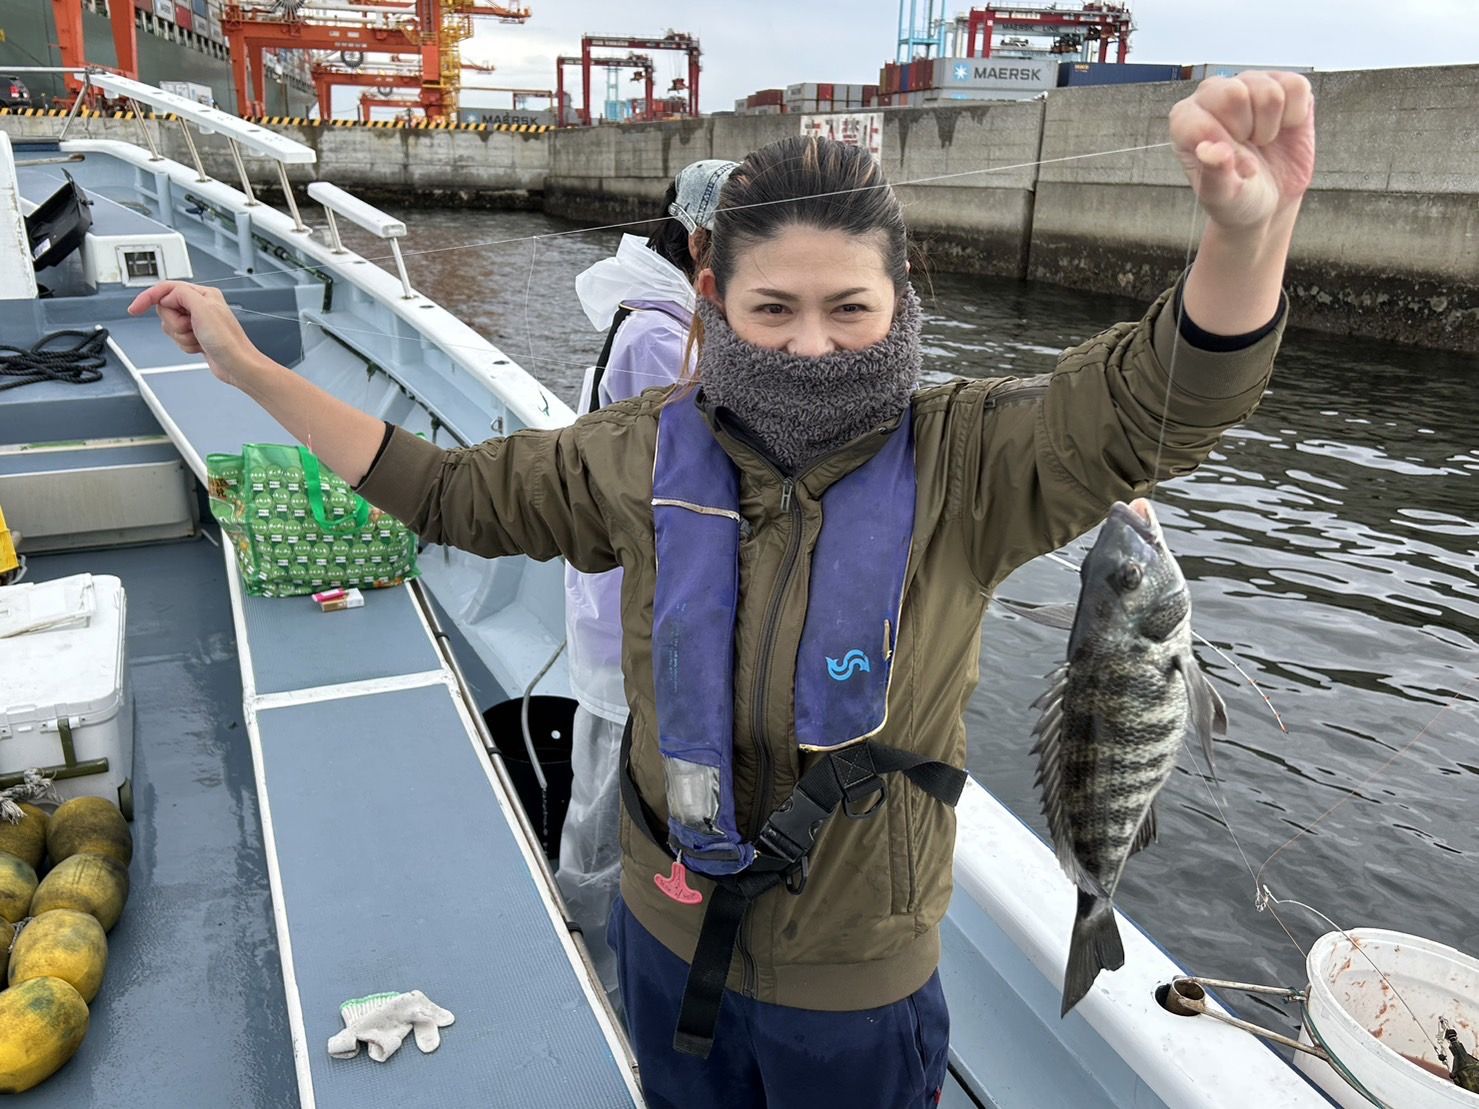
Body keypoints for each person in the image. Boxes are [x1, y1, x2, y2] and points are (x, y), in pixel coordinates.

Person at [129, 72, 1315, 1109]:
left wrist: (1245, 236)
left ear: (902, 292)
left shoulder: (973, 460)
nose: (813, 344)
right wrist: (249, 367)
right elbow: (449, 493)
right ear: (712, 289)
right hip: (667, 933)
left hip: (856, 981)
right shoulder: (640, 449)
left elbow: (1156, 402)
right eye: (773, 308)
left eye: (850, 307)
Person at [561, 158, 738, 1001]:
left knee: (615, 786)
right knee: (607, 803)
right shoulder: (664, 336)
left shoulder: (648, 314)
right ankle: (588, 970)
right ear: (701, 241)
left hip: (624, 601)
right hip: (631, 616)